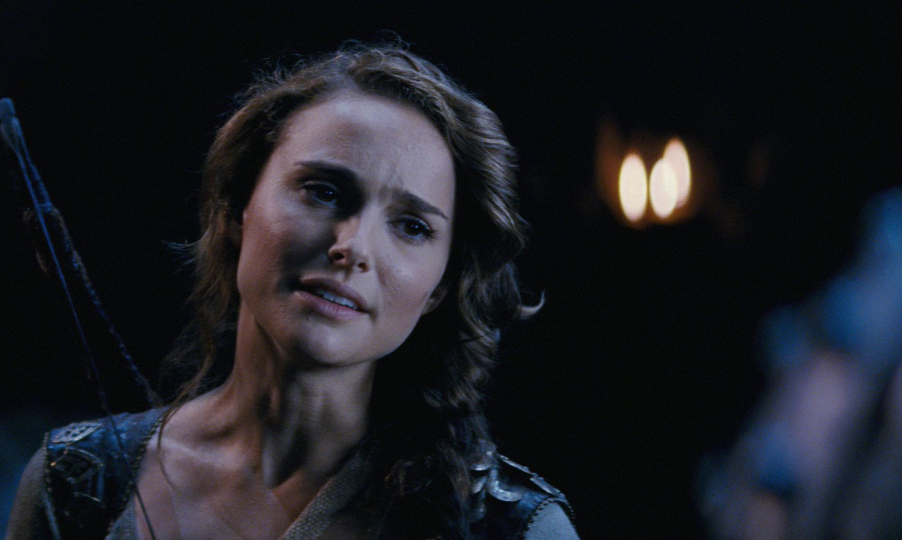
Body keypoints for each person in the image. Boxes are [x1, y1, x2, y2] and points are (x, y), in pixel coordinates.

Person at [5, 42, 577, 539]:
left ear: (439, 286)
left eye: (411, 226)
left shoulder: (511, 527)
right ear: (236, 207)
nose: (353, 247)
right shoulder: (76, 482)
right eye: (323, 191)